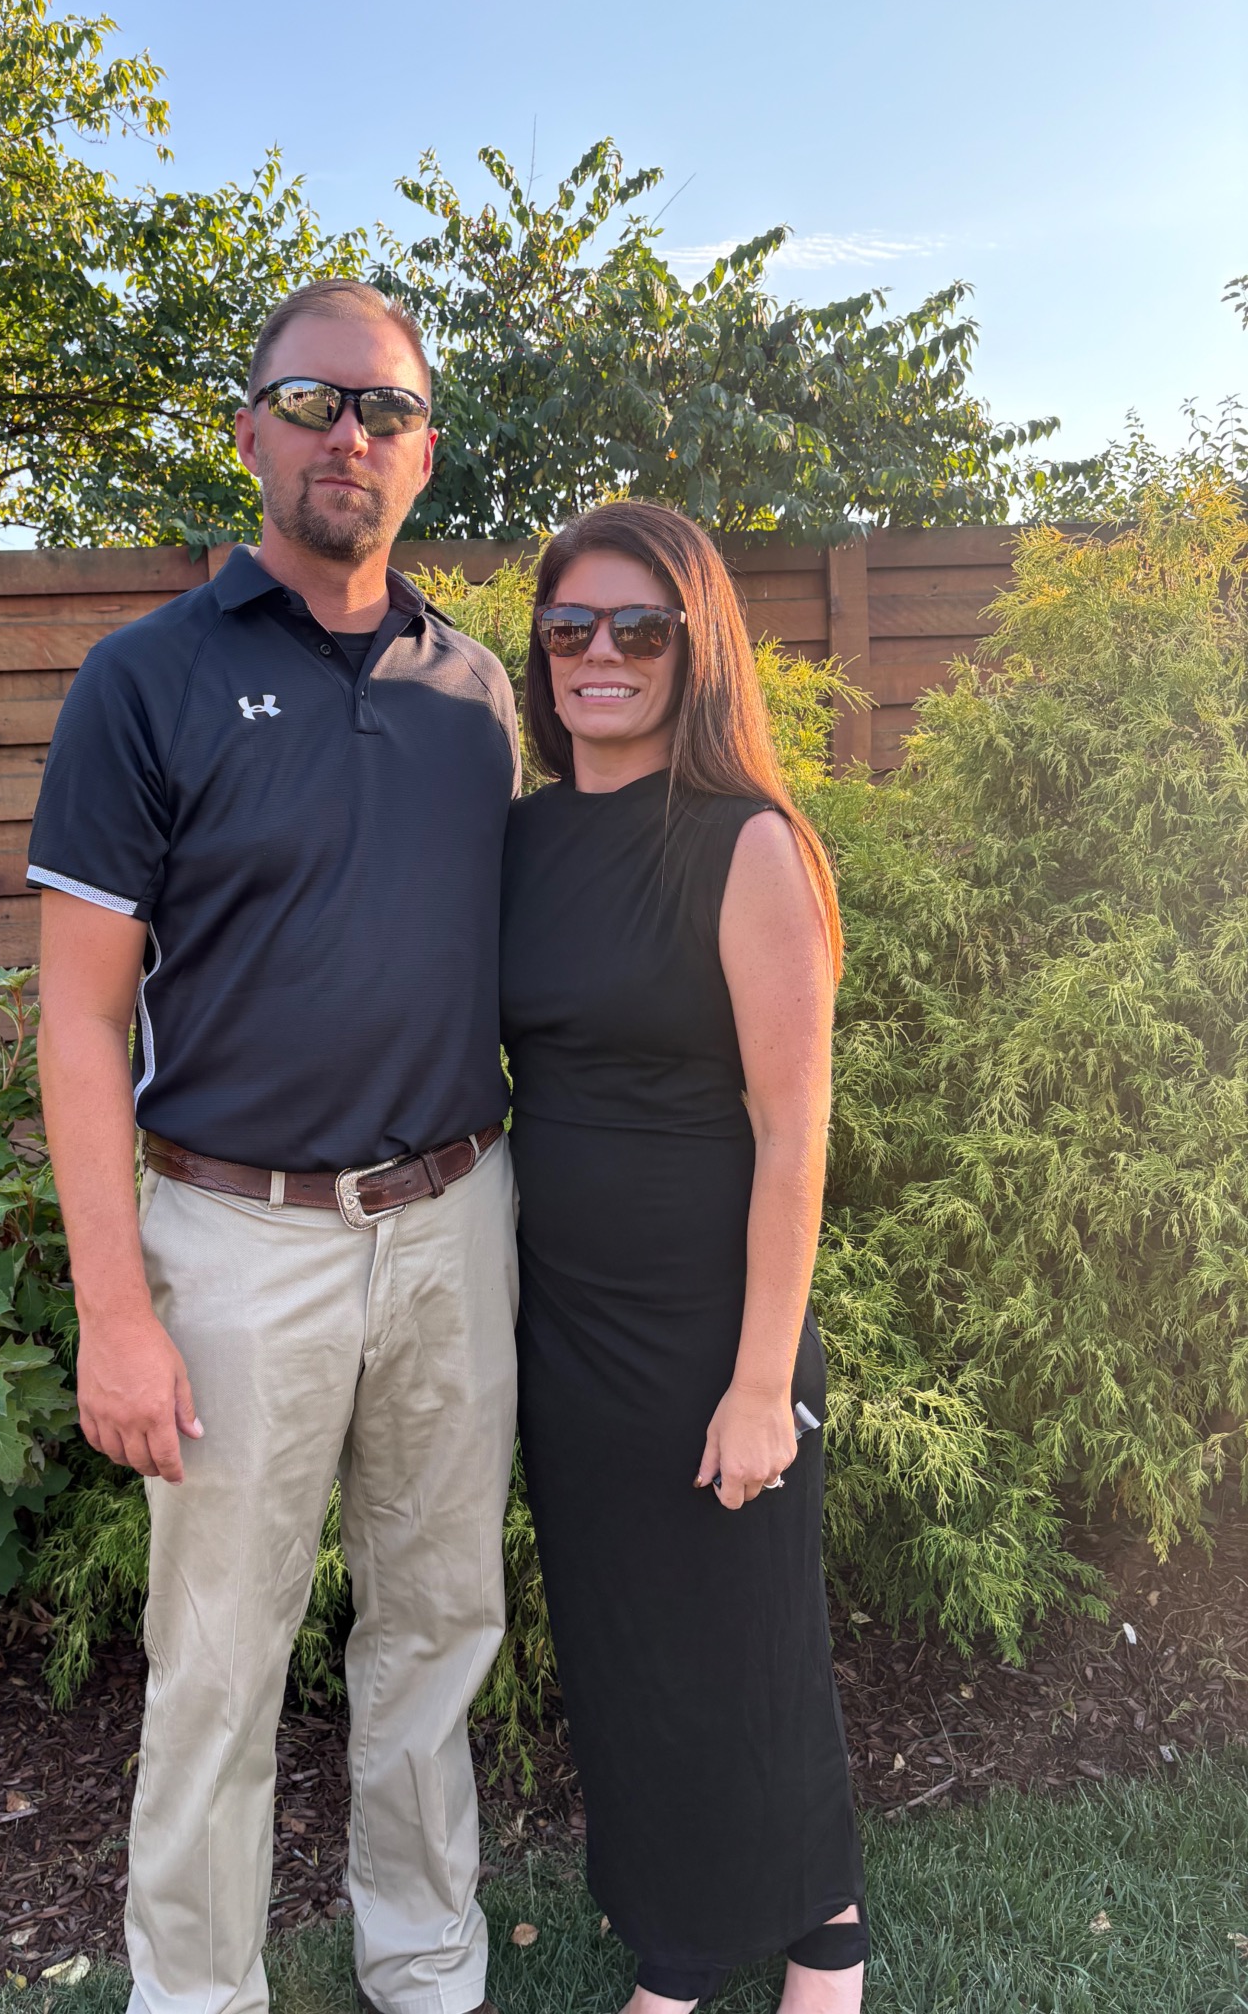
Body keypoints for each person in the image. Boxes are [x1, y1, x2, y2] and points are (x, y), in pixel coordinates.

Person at [30, 279, 521, 2014]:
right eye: (314, 401)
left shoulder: (478, 691)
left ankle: (426, 1959)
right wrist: (115, 1314)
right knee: (219, 1665)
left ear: (426, 452)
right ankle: (197, 1993)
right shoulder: (144, 680)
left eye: (386, 409)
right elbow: (79, 1021)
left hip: (456, 1215)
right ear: (250, 431)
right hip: (241, 1243)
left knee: (439, 1628)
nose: (350, 437)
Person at [500, 501, 868, 2014]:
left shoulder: (748, 842)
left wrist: (762, 1381)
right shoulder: (526, 839)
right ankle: (721, 1933)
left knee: (745, 1644)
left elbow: (793, 1129)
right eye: (571, 625)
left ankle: (799, 1951)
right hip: (569, 1325)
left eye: (639, 628)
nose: (601, 653)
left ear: (694, 648)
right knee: (631, 1655)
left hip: (715, 1325)